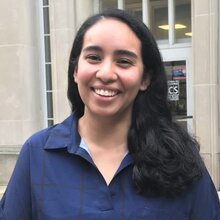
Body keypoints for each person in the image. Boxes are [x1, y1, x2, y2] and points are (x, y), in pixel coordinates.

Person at [0, 9, 220, 220]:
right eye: (94, 57)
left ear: (145, 79)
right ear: (75, 71)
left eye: (124, 61)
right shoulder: (37, 154)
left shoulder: (179, 156)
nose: (105, 73)